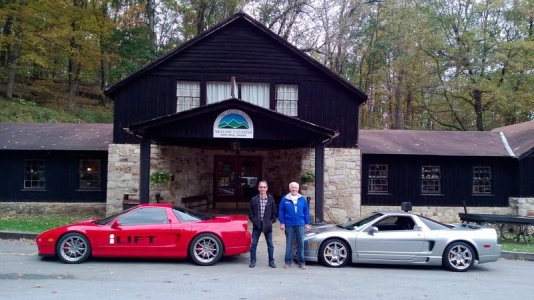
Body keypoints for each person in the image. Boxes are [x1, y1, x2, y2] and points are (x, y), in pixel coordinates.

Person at [278, 181, 311, 269]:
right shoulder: (285, 199)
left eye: (295, 187)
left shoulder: (302, 199)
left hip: (300, 224)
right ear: (289, 188)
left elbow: (306, 211)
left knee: (300, 244)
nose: (294, 189)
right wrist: (282, 223)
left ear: (298, 188)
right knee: (289, 244)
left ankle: (301, 262)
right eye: (292, 187)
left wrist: (307, 223)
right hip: (289, 224)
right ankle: (287, 262)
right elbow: (281, 211)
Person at [248, 180, 277, 268]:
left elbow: (274, 212)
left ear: (267, 188)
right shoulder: (254, 199)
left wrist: (271, 221)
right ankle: (252, 260)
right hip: (257, 225)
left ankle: (271, 261)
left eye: (264, 187)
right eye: (261, 187)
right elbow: (250, 212)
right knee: (253, 244)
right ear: (258, 188)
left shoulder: (271, 199)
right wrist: (254, 220)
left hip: (267, 225)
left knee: (270, 245)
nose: (262, 189)